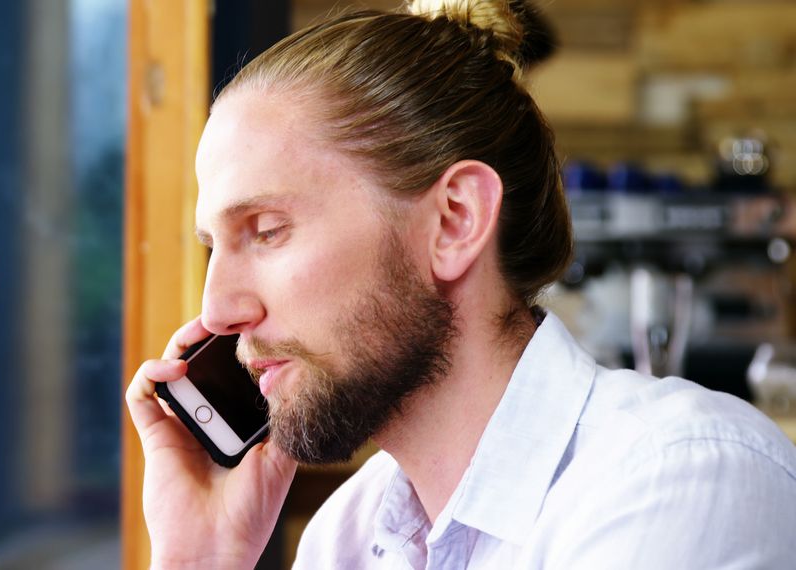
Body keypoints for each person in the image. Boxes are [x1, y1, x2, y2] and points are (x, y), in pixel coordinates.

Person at [125, 0, 796, 567]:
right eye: (213, 247)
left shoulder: (683, 478)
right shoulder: (346, 540)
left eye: (266, 230)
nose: (217, 308)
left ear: (454, 220)